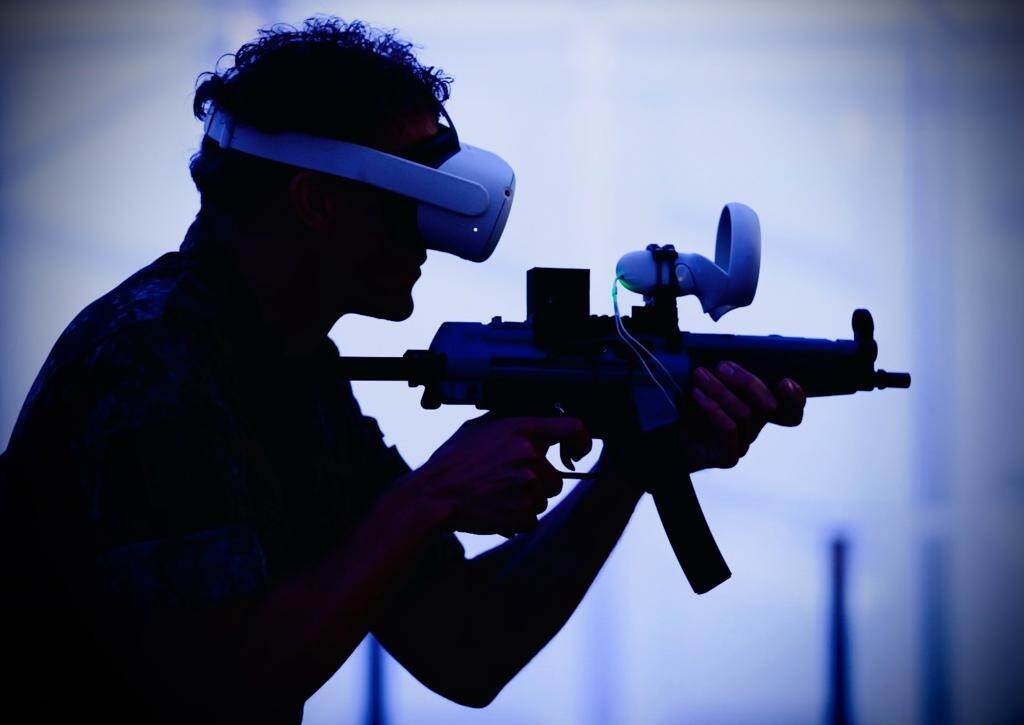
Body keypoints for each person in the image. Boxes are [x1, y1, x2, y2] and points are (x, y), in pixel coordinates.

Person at [0, 17, 806, 724]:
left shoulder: (292, 369)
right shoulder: (151, 363)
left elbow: (467, 647)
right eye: (412, 199)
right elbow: (214, 693)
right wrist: (432, 496)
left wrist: (632, 461)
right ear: (317, 202)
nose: (430, 236)